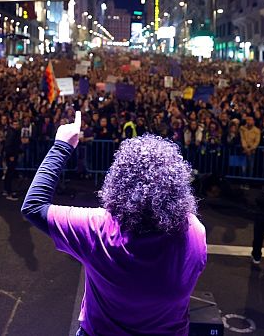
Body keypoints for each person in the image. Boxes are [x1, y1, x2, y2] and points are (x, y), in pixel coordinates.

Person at [21, 112, 207, 335]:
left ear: (119, 180)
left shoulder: (99, 228)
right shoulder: (194, 230)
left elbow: (33, 206)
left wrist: (61, 146)